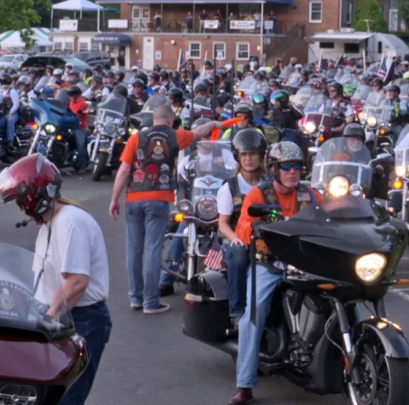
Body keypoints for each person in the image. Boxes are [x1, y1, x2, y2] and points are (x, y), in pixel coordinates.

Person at [0, 154, 110, 405]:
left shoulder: (70, 222)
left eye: (20, 201)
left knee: (64, 400)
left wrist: (47, 321)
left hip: (79, 321)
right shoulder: (51, 225)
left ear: (34, 196)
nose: (21, 209)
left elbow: (76, 282)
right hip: (61, 318)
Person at [227, 142, 321, 405]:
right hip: (269, 264)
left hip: (305, 265)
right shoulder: (258, 195)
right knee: (253, 315)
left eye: (297, 166)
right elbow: (244, 226)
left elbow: (330, 216)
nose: (293, 172)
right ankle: (244, 385)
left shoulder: (310, 194)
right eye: (286, 167)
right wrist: (260, 225)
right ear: (273, 169)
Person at [109, 106, 221, 313]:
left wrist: (114, 199)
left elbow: (124, 169)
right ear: (170, 120)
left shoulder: (136, 138)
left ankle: (136, 298)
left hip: (133, 198)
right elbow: (199, 133)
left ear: (154, 119)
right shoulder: (175, 135)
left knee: (134, 250)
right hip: (158, 199)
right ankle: (151, 302)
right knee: (152, 249)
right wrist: (213, 124)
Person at [216, 129, 266, 322]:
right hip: (237, 238)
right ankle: (236, 311)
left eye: (252, 154)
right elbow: (223, 224)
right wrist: (236, 238)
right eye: (244, 155)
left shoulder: (268, 185)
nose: (248, 159)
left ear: (261, 156)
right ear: (238, 157)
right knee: (238, 255)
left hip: (264, 238)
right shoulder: (229, 187)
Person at [68, 85, 90, 175]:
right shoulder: (72, 102)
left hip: (80, 128)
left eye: (70, 95)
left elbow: (75, 116)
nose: (68, 97)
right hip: (69, 126)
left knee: (80, 144)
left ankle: (82, 166)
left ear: (75, 95)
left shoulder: (82, 103)